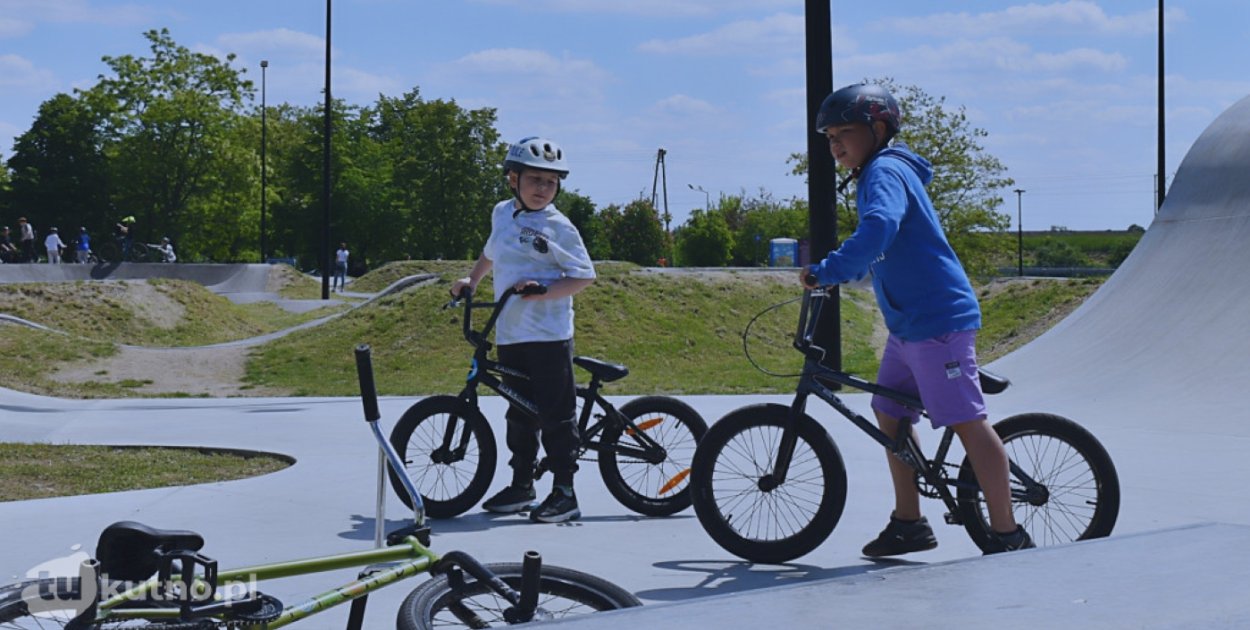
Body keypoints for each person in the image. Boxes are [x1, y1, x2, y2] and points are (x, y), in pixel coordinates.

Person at [801, 83, 1034, 555]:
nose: (836, 144)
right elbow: (888, 250)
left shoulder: (884, 170)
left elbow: (880, 227)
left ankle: (1008, 533)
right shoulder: (876, 172)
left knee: (968, 423)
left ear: (879, 129)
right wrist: (851, 275)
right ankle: (909, 522)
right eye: (829, 137)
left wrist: (830, 269)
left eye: (846, 132)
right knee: (889, 413)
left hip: (937, 322)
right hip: (909, 326)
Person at [449, 136, 596, 524]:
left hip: (548, 334)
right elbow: (491, 251)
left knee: (555, 414)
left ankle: (565, 492)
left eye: (550, 182)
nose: (542, 189)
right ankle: (522, 485)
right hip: (510, 332)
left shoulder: (560, 227)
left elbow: (583, 276)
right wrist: (473, 279)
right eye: (534, 179)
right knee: (519, 413)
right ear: (512, 179)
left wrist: (544, 290)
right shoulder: (502, 213)